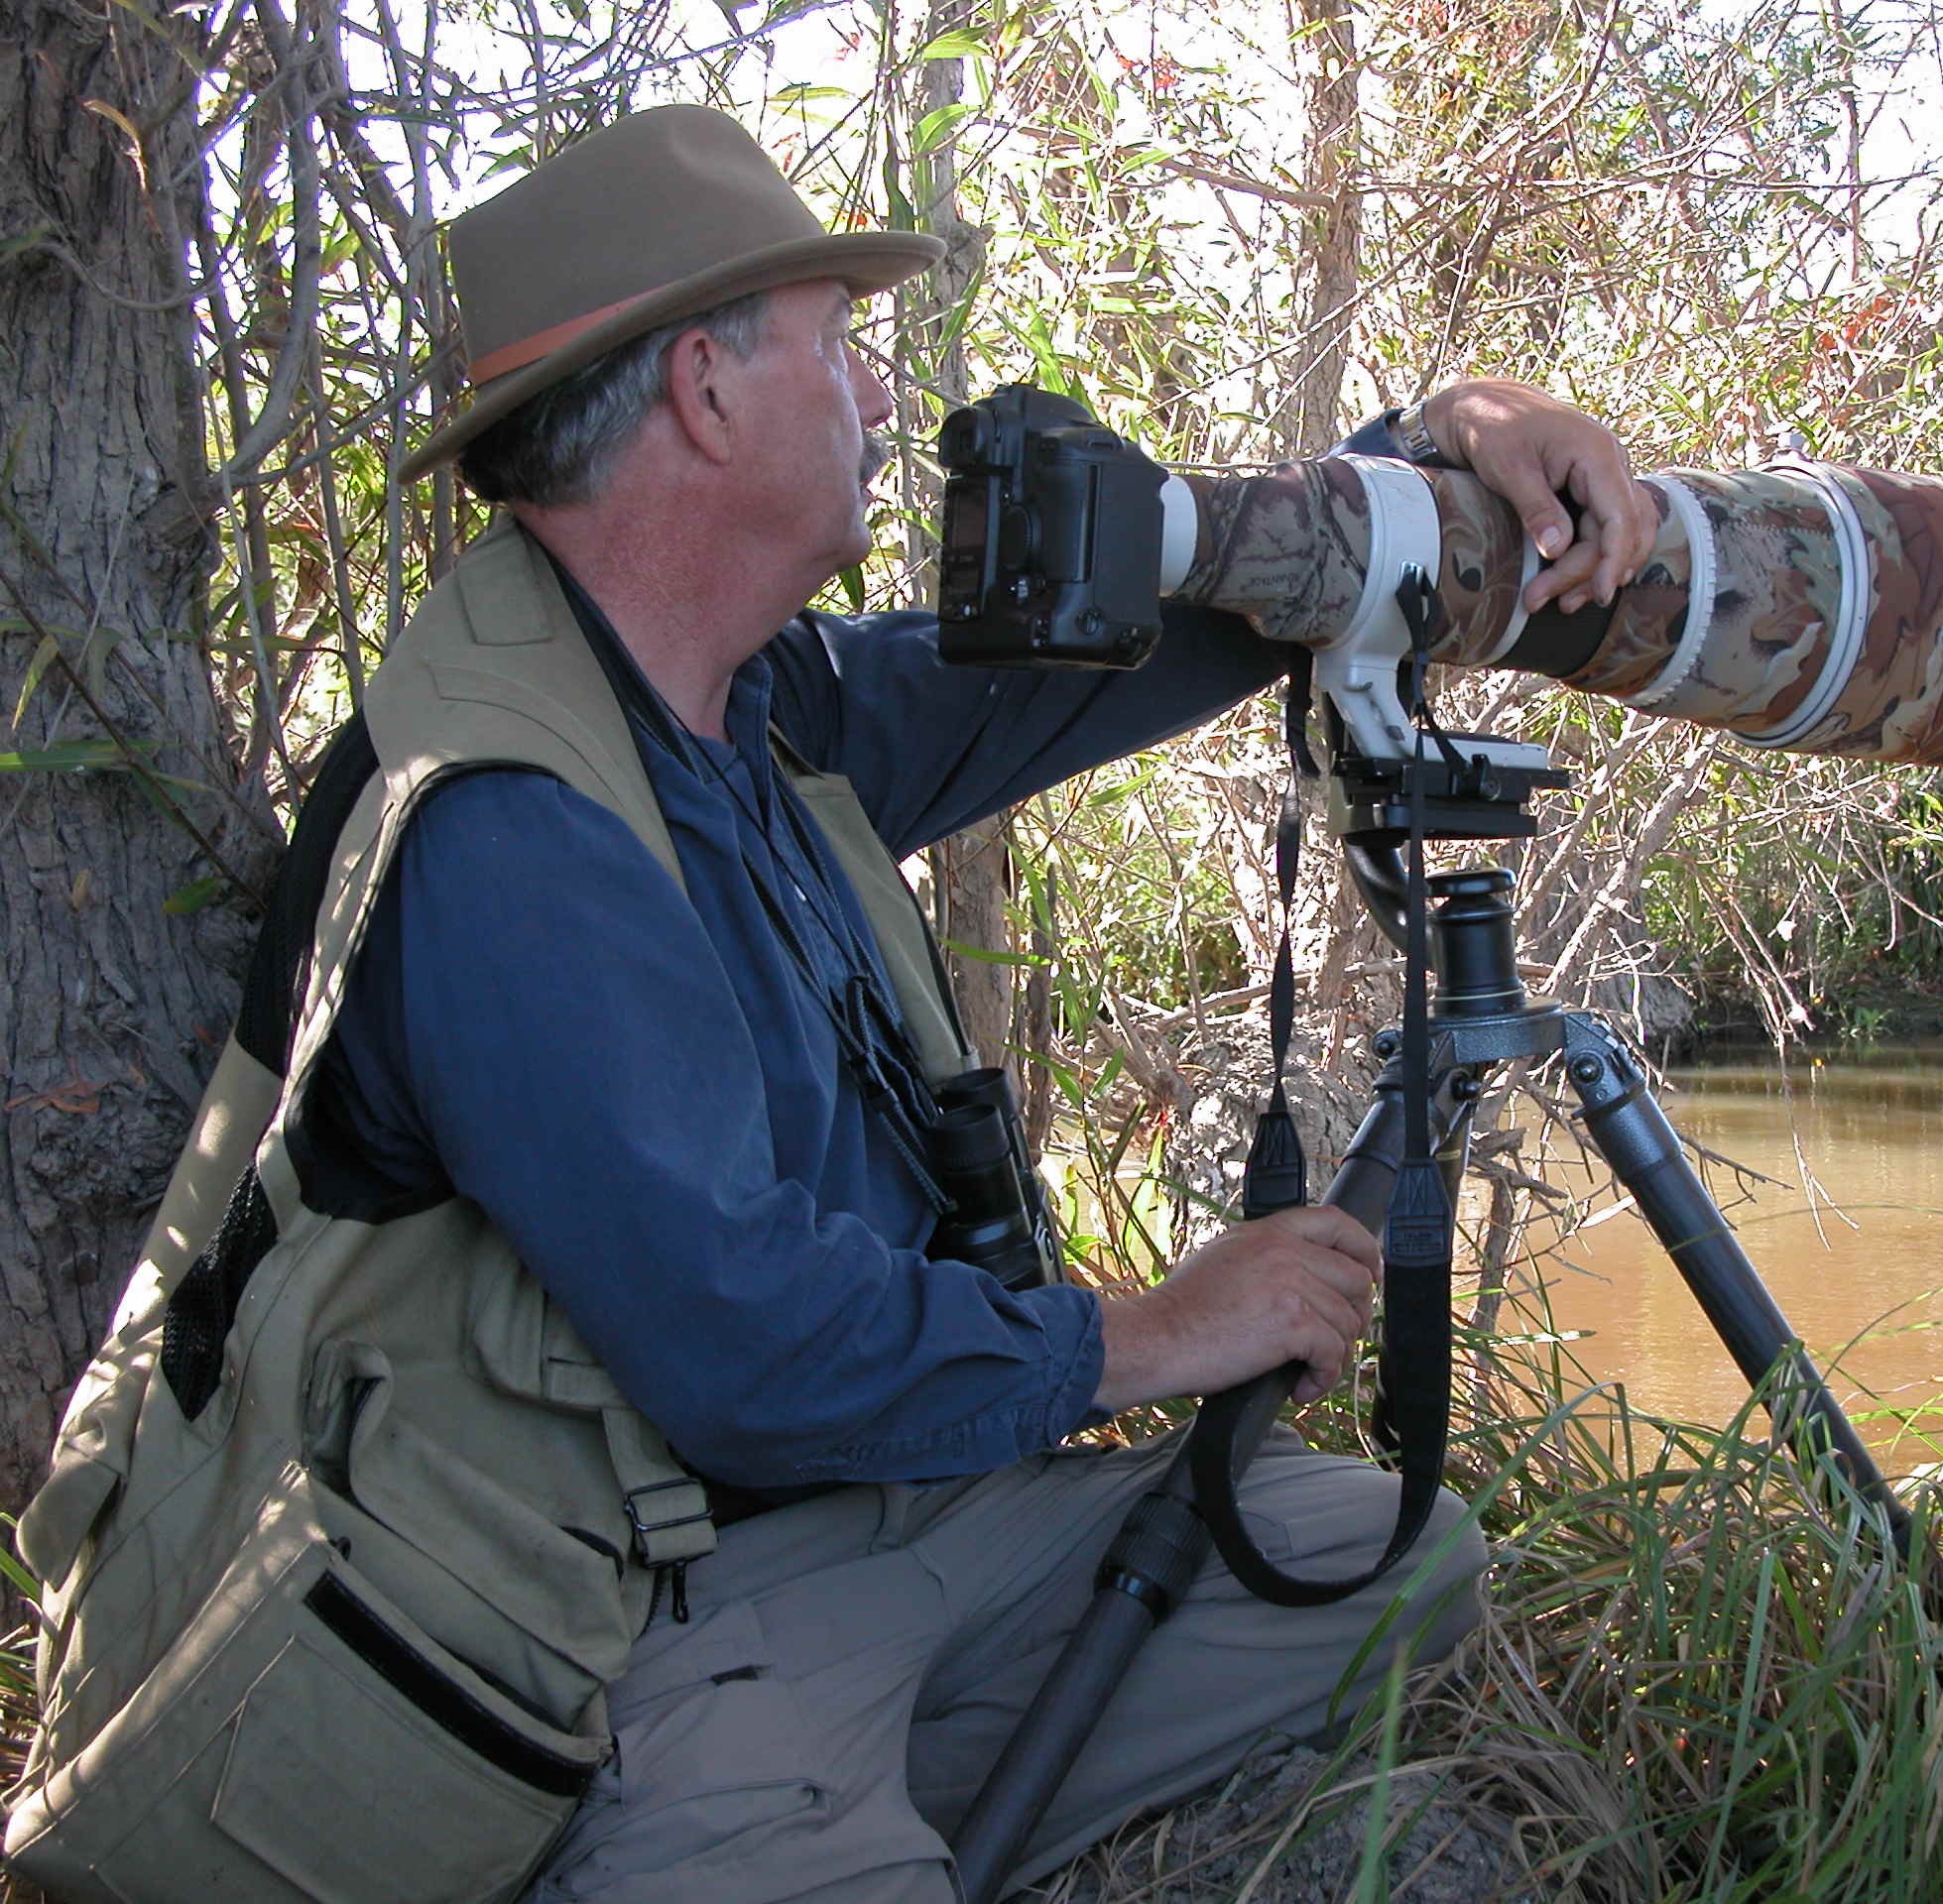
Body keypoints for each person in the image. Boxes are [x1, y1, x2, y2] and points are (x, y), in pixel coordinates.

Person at [3, 104, 1655, 1904]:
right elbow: (751, 1351)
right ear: (706, 391)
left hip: (869, 1520)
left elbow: (1143, 641)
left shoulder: (746, 707)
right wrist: (1152, 1337)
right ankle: (717, 1827)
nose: (877, 399)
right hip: (617, 1627)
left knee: (1388, 1564)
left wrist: (1433, 449)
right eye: (836, 346)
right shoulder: (508, 833)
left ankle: (871, 1785)